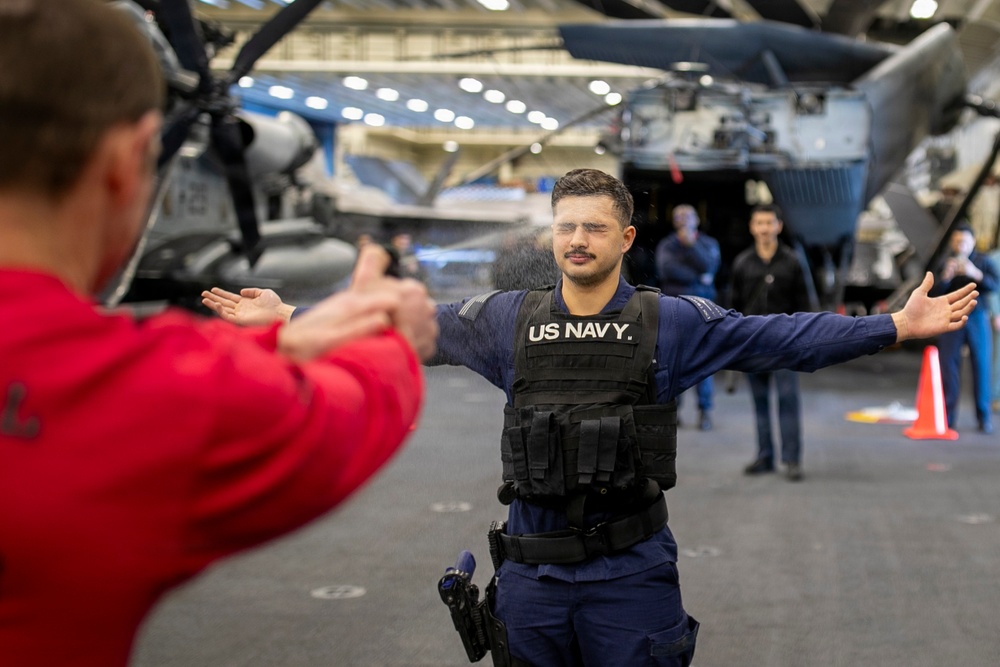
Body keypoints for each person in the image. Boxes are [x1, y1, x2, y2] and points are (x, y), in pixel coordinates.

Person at [204, 169, 978, 667]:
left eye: (595, 227)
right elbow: (401, 327)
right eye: (566, 225)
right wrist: (292, 316)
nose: (577, 240)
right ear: (552, 234)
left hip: (630, 576)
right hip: (532, 579)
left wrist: (893, 327)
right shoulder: (505, 319)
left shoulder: (670, 322)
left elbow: (778, 338)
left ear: (626, 238)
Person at [0, 2, 438, 665]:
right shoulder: (159, 397)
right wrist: (387, 329)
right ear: (128, 160)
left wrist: (278, 339)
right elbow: (348, 404)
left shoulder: (156, 375)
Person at [729, 204, 811, 480]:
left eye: (769, 223)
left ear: (778, 226)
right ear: (752, 227)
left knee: (788, 400)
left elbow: (805, 304)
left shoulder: (792, 261)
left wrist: (803, 341)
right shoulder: (743, 263)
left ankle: (792, 460)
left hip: (785, 343)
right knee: (760, 401)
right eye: (759, 223)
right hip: (753, 344)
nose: (764, 228)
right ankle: (765, 456)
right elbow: (733, 307)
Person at [655, 204, 721, 430]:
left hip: (704, 311)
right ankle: (674, 411)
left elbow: (710, 265)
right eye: (679, 216)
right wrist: (698, 276)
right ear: (674, 221)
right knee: (674, 361)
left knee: (704, 361)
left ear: (697, 220)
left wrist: (691, 246)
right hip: (675, 310)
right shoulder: (667, 245)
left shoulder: (708, 244)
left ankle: (705, 411)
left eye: (688, 215)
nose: (684, 219)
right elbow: (667, 270)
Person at [932, 224, 999, 432]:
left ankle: (983, 417)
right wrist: (946, 276)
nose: (961, 245)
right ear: (952, 242)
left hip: (977, 317)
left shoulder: (983, 261)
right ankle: (948, 418)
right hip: (952, 317)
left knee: (982, 365)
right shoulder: (945, 262)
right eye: (957, 241)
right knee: (949, 366)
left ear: (972, 242)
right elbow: (933, 293)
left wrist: (974, 273)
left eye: (964, 241)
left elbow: (994, 285)